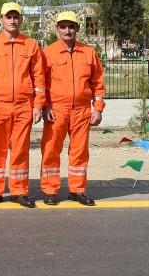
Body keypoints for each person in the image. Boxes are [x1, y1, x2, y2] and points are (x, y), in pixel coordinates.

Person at [0, 2, 45, 208]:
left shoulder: (31, 45)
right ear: (1, 20)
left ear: (21, 20)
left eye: (16, 17)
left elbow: (39, 78)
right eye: (8, 17)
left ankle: (19, 191)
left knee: (20, 150)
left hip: (24, 106)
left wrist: (38, 105)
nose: (12, 20)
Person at [40, 11, 105, 206]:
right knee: (51, 150)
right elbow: (40, 83)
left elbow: (98, 82)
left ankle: (77, 190)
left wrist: (98, 108)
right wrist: (44, 106)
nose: (67, 30)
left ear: (77, 28)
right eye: (63, 26)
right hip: (56, 111)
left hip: (82, 111)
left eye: (71, 26)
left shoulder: (89, 53)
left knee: (79, 152)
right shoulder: (48, 53)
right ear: (57, 29)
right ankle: (50, 191)